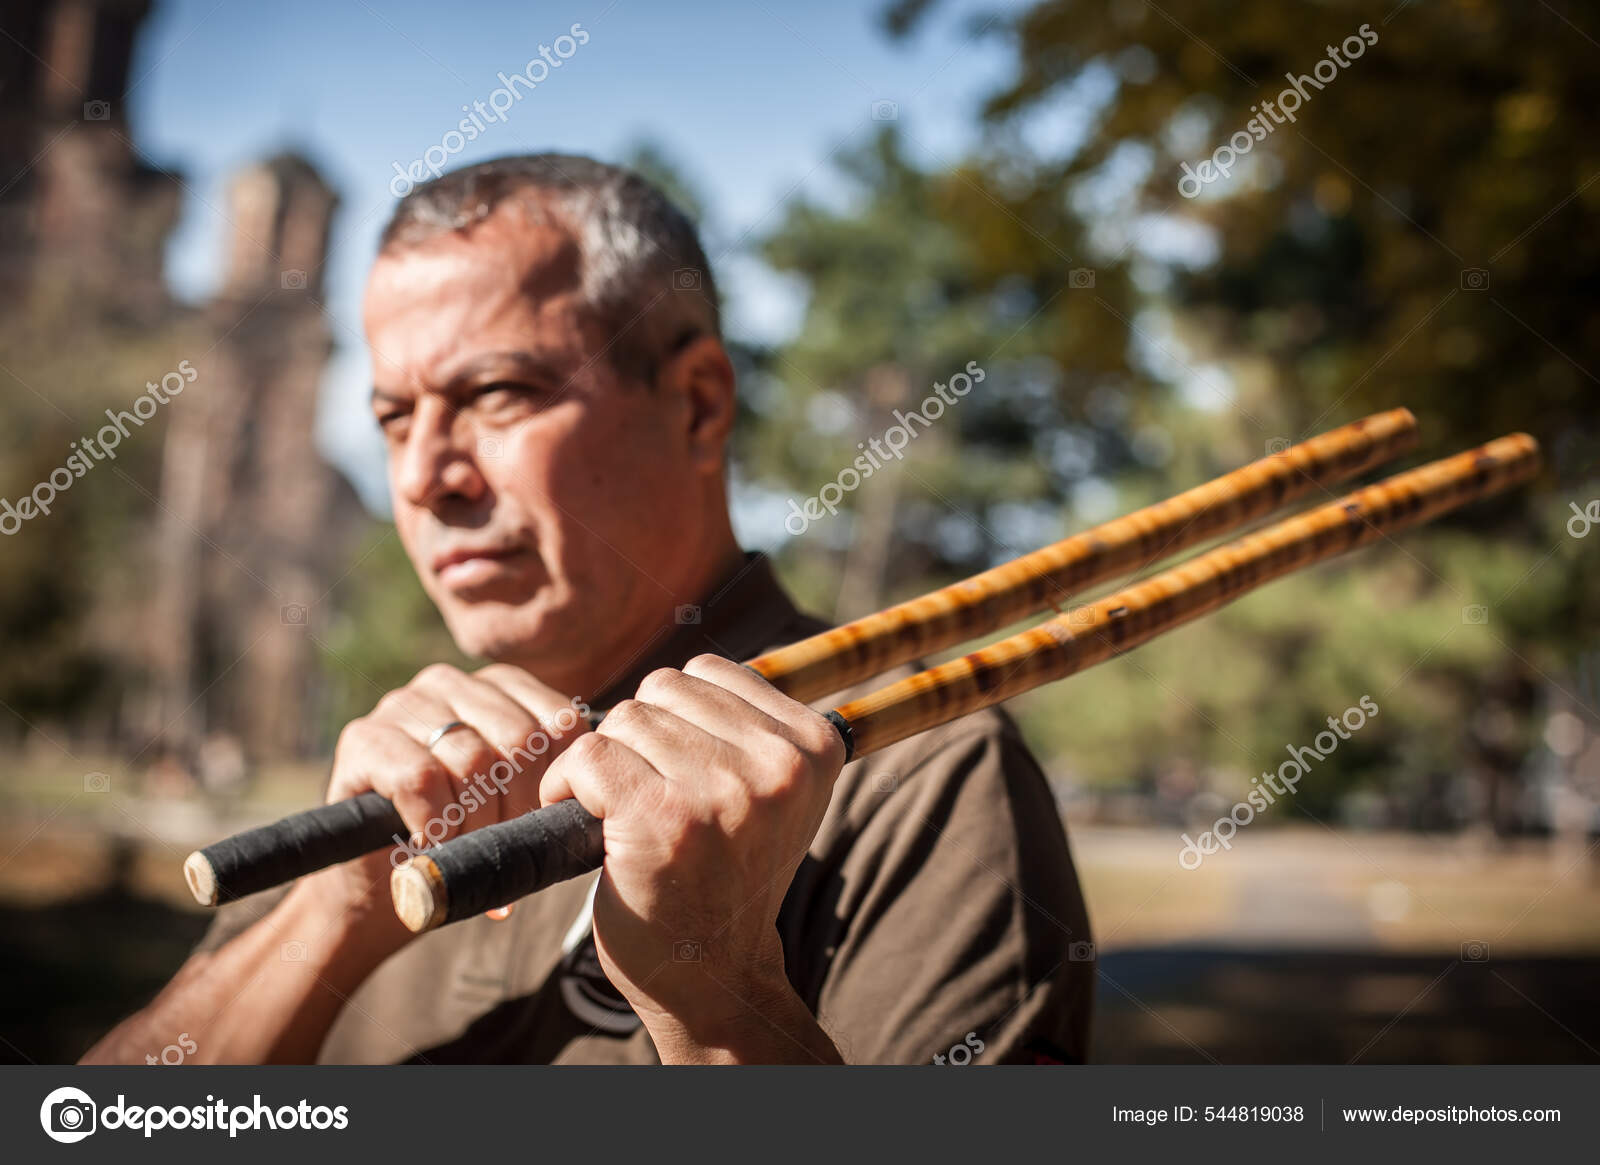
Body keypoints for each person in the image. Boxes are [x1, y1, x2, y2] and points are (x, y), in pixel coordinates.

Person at [84, 155, 1094, 1065]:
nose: (426, 477)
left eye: (497, 394)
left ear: (696, 404)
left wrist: (720, 1003)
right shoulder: (411, 767)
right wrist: (334, 914)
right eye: (394, 418)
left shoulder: (916, 768)